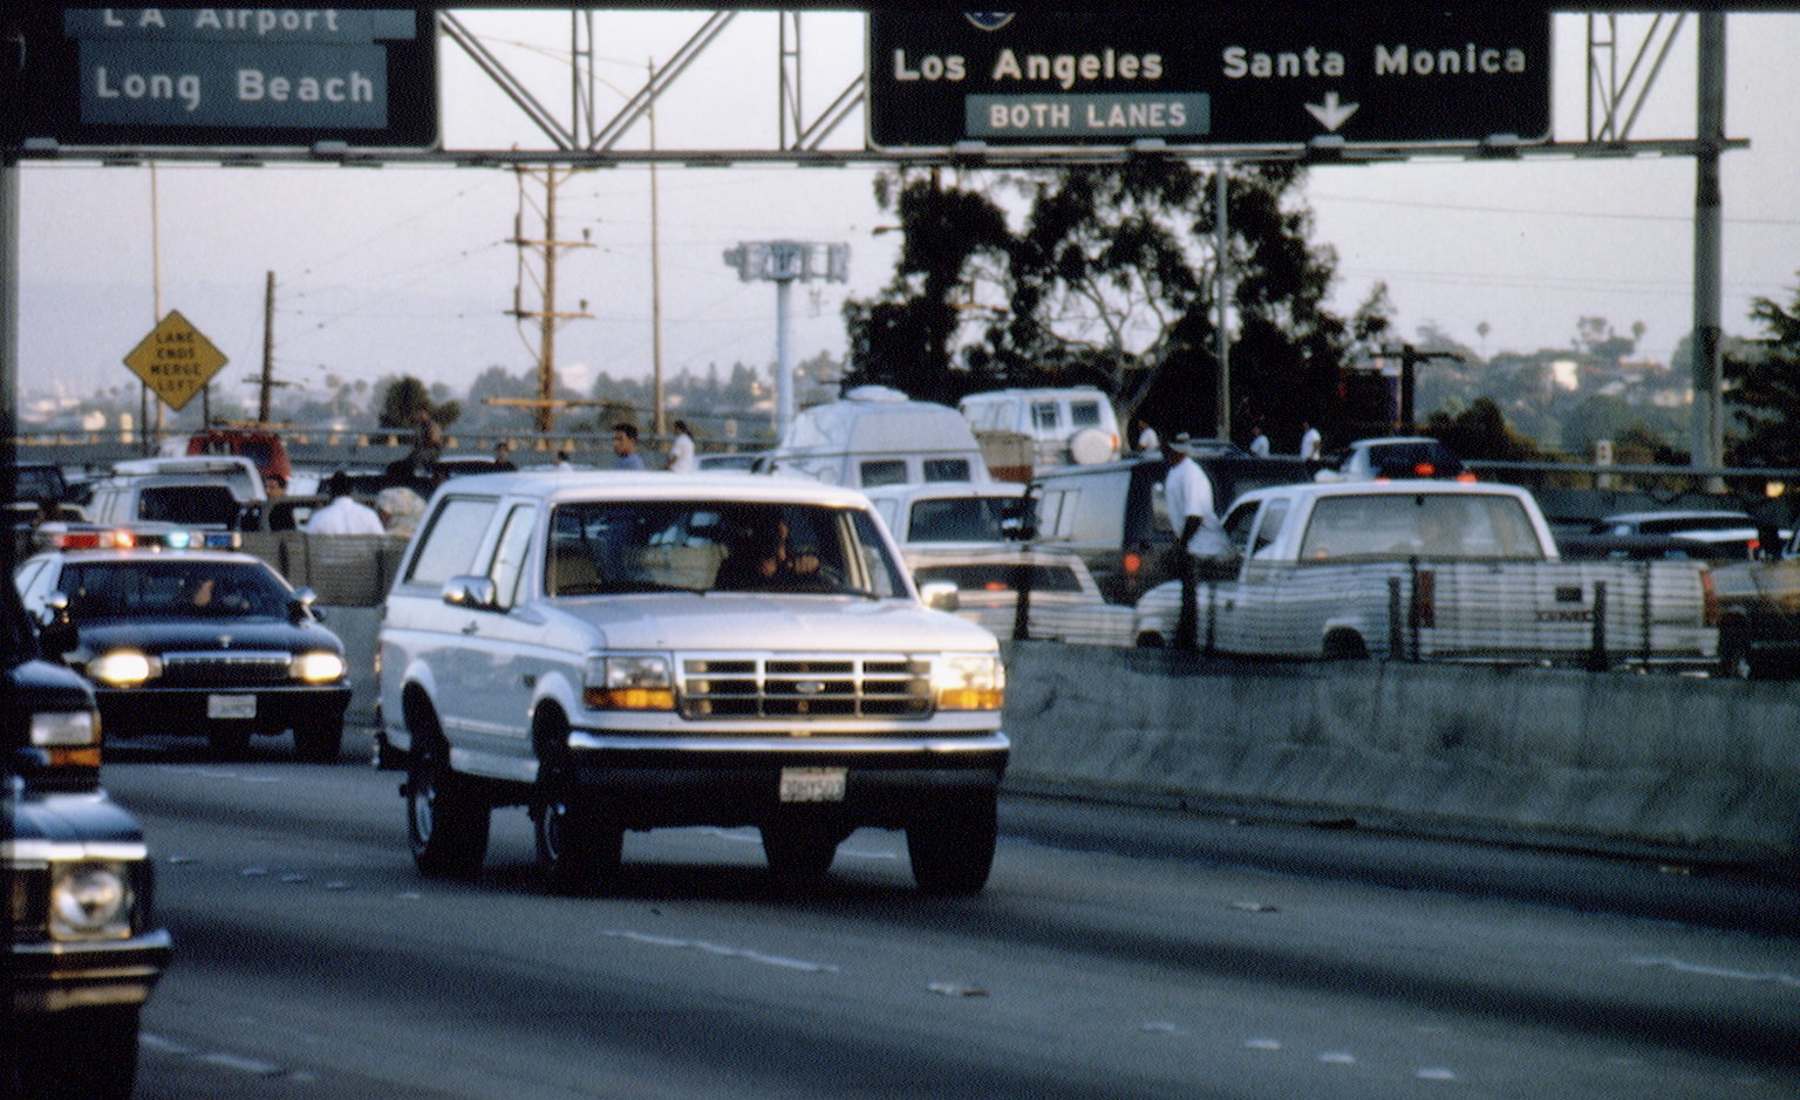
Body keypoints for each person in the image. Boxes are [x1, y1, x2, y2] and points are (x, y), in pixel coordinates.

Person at [1161, 441, 1233, 650]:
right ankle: (1185, 640)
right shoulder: (1176, 473)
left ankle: (1192, 642)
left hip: (1205, 548)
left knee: (1196, 598)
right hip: (1194, 547)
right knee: (1189, 596)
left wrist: (1181, 545)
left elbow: (1194, 516)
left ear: (1173, 450)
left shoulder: (1192, 474)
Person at [305, 471, 385, 536]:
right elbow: (382, 543)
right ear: (351, 490)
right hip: (362, 555)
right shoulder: (369, 515)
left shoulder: (319, 517)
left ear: (330, 491)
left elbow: (309, 544)